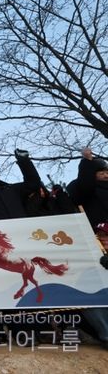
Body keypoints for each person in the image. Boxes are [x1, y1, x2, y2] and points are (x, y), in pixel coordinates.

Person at [67, 147, 108, 350]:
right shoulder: (83, 189)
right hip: (95, 238)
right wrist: (87, 162)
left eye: (107, 171)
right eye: (101, 172)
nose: (106, 175)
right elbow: (82, 189)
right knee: (92, 291)